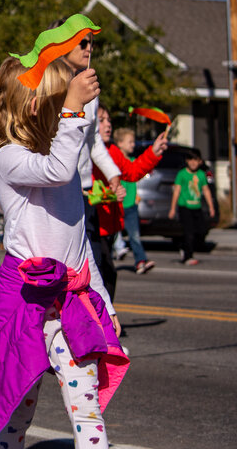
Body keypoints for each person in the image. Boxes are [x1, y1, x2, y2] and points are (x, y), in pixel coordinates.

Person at [0, 56, 128, 449]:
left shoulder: (61, 167)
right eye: (61, 101)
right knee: (19, 404)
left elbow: (78, 247)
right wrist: (72, 110)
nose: (71, 112)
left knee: (85, 406)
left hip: (71, 300)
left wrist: (106, 304)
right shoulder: (9, 156)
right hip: (28, 302)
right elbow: (58, 169)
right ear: (37, 106)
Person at [58, 23, 124, 301]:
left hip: (85, 191)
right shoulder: (51, 85)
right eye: (82, 43)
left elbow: (93, 140)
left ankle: (102, 328)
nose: (89, 48)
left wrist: (112, 173)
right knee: (67, 269)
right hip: (57, 189)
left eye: (90, 43)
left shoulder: (90, 87)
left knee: (99, 263)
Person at [92, 105, 167, 299]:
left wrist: (154, 152)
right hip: (91, 227)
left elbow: (132, 172)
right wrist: (109, 196)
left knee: (105, 276)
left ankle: (104, 324)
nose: (108, 125)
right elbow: (84, 191)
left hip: (108, 226)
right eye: (101, 120)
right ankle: (102, 324)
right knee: (103, 277)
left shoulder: (113, 150)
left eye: (109, 120)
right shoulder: (85, 152)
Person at [113, 127, 158, 274]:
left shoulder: (132, 161)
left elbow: (135, 179)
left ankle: (141, 261)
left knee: (134, 236)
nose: (133, 144)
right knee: (111, 235)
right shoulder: (111, 160)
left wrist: (137, 196)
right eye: (130, 142)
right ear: (119, 143)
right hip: (116, 205)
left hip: (131, 205)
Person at [168, 148, 215, 266]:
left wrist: (211, 207)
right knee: (188, 232)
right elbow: (177, 191)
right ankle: (187, 256)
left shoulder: (201, 175)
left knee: (201, 230)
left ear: (200, 162)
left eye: (196, 160)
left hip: (196, 206)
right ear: (187, 161)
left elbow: (206, 190)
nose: (193, 163)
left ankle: (184, 246)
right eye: (191, 160)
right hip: (185, 207)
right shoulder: (182, 174)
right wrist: (173, 208)